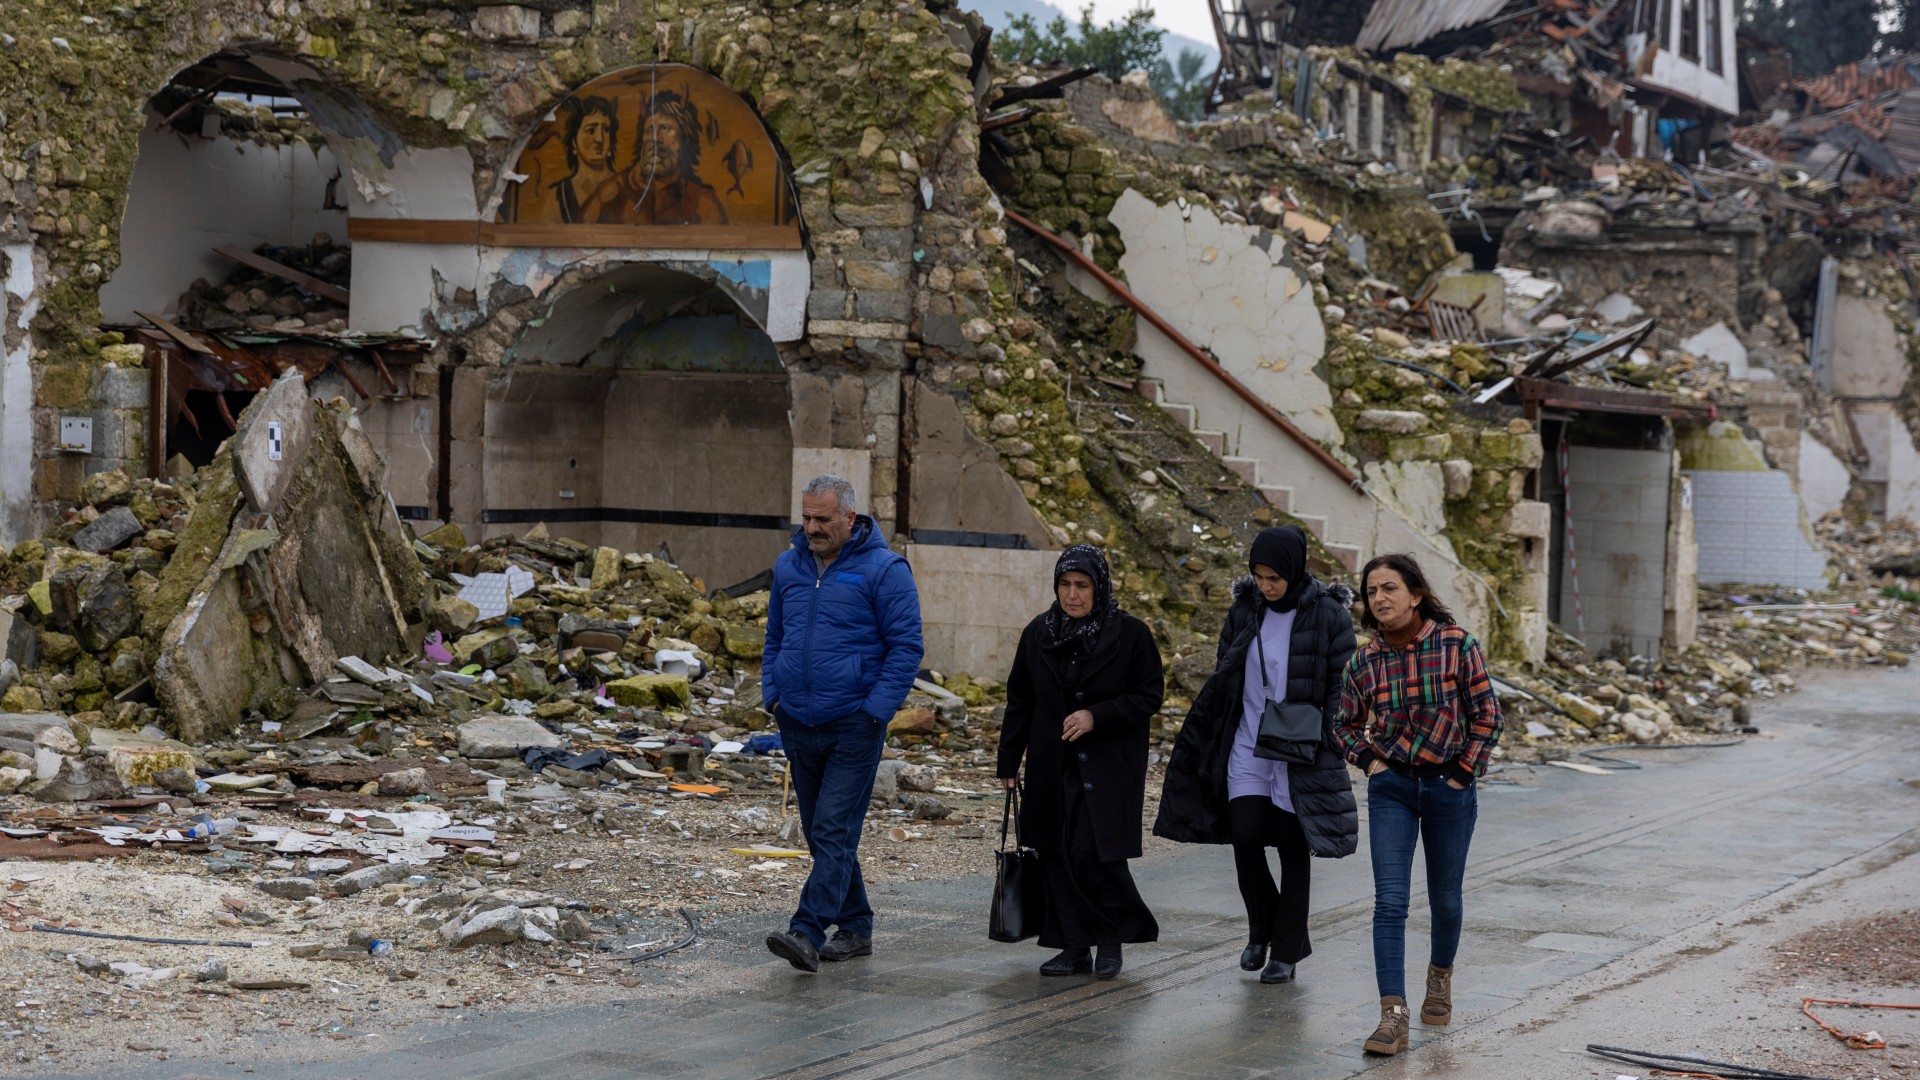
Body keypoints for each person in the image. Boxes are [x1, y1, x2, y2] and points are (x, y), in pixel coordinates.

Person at [1153, 525, 1358, 986]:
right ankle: (1261, 928)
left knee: (1291, 846)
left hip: (1299, 748)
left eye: (1274, 578)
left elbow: (1340, 686)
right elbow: (1227, 671)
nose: (1266, 586)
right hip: (1248, 741)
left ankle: (1285, 951)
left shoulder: (1328, 615)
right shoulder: (1245, 609)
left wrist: (1325, 737)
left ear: (1294, 569)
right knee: (1244, 836)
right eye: (1258, 576)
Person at [1332, 553, 1503, 1056]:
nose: (1379, 599)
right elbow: (1341, 724)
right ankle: (1393, 1017)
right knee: (1390, 903)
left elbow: (1488, 716)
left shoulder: (1456, 646)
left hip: (1449, 786)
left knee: (1445, 898)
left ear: (1416, 594)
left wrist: (1462, 774)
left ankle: (1440, 979)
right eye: (1371, 592)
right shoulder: (1364, 661)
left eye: (1389, 588)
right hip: (1393, 790)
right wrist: (1369, 762)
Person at [761, 475, 924, 973]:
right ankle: (856, 926)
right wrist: (774, 696)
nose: (812, 527)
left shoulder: (885, 570)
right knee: (822, 831)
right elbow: (775, 639)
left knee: (833, 827)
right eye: (806, 518)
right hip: (797, 720)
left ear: (850, 518)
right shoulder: (789, 566)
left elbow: (907, 648)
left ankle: (806, 931)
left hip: (854, 723)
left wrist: (875, 711)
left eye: (822, 519)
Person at [996, 545, 1164, 979]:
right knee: (1055, 852)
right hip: (1052, 765)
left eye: (1082, 585)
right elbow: (1021, 700)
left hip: (1108, 766)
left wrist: (1098, 716)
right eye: (1065, 585)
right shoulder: (1039, 633)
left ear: (1099, 587)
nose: (1073, 595)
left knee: (1096, 853)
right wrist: (1008, 762)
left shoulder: (1130, 635)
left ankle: (1109, 941)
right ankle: (1073, 947)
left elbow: (1149, 695)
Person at [593, 88, 728, 225]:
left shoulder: (703, 202)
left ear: (684, 138)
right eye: (649, 130)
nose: (655, 138)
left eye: (665, 128)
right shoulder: (609, 194)